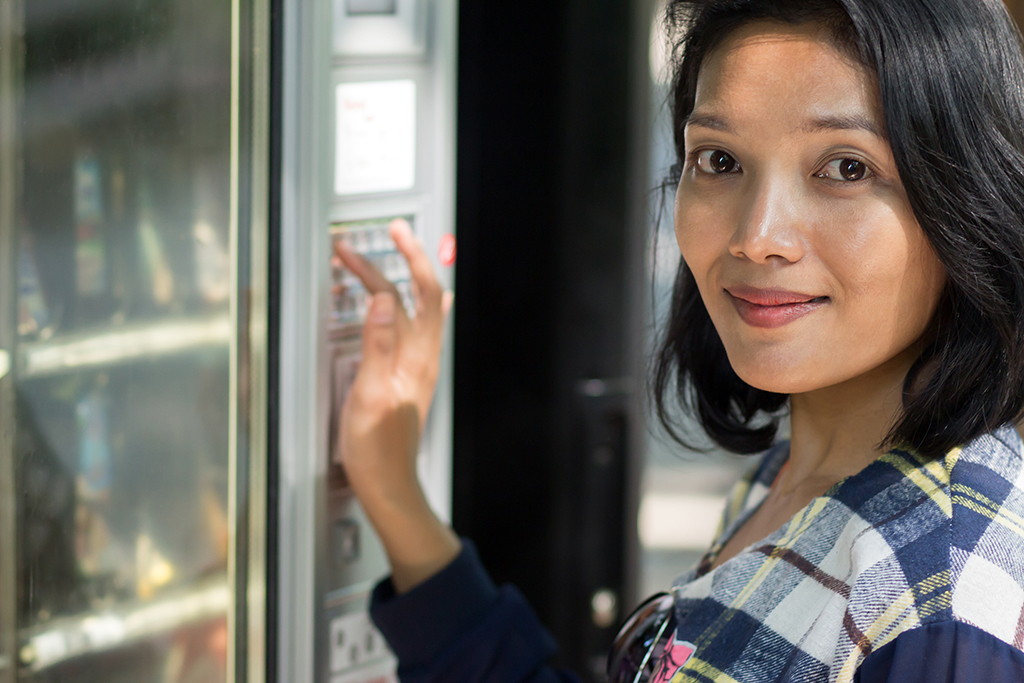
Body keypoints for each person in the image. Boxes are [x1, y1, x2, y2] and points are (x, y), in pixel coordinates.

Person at [333, 0, 1024, 680]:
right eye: (720, 159)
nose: (757, 236)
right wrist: (393, 489)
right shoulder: (799, 475)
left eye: (845, 167)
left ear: (966, 199)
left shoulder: (942, 598)